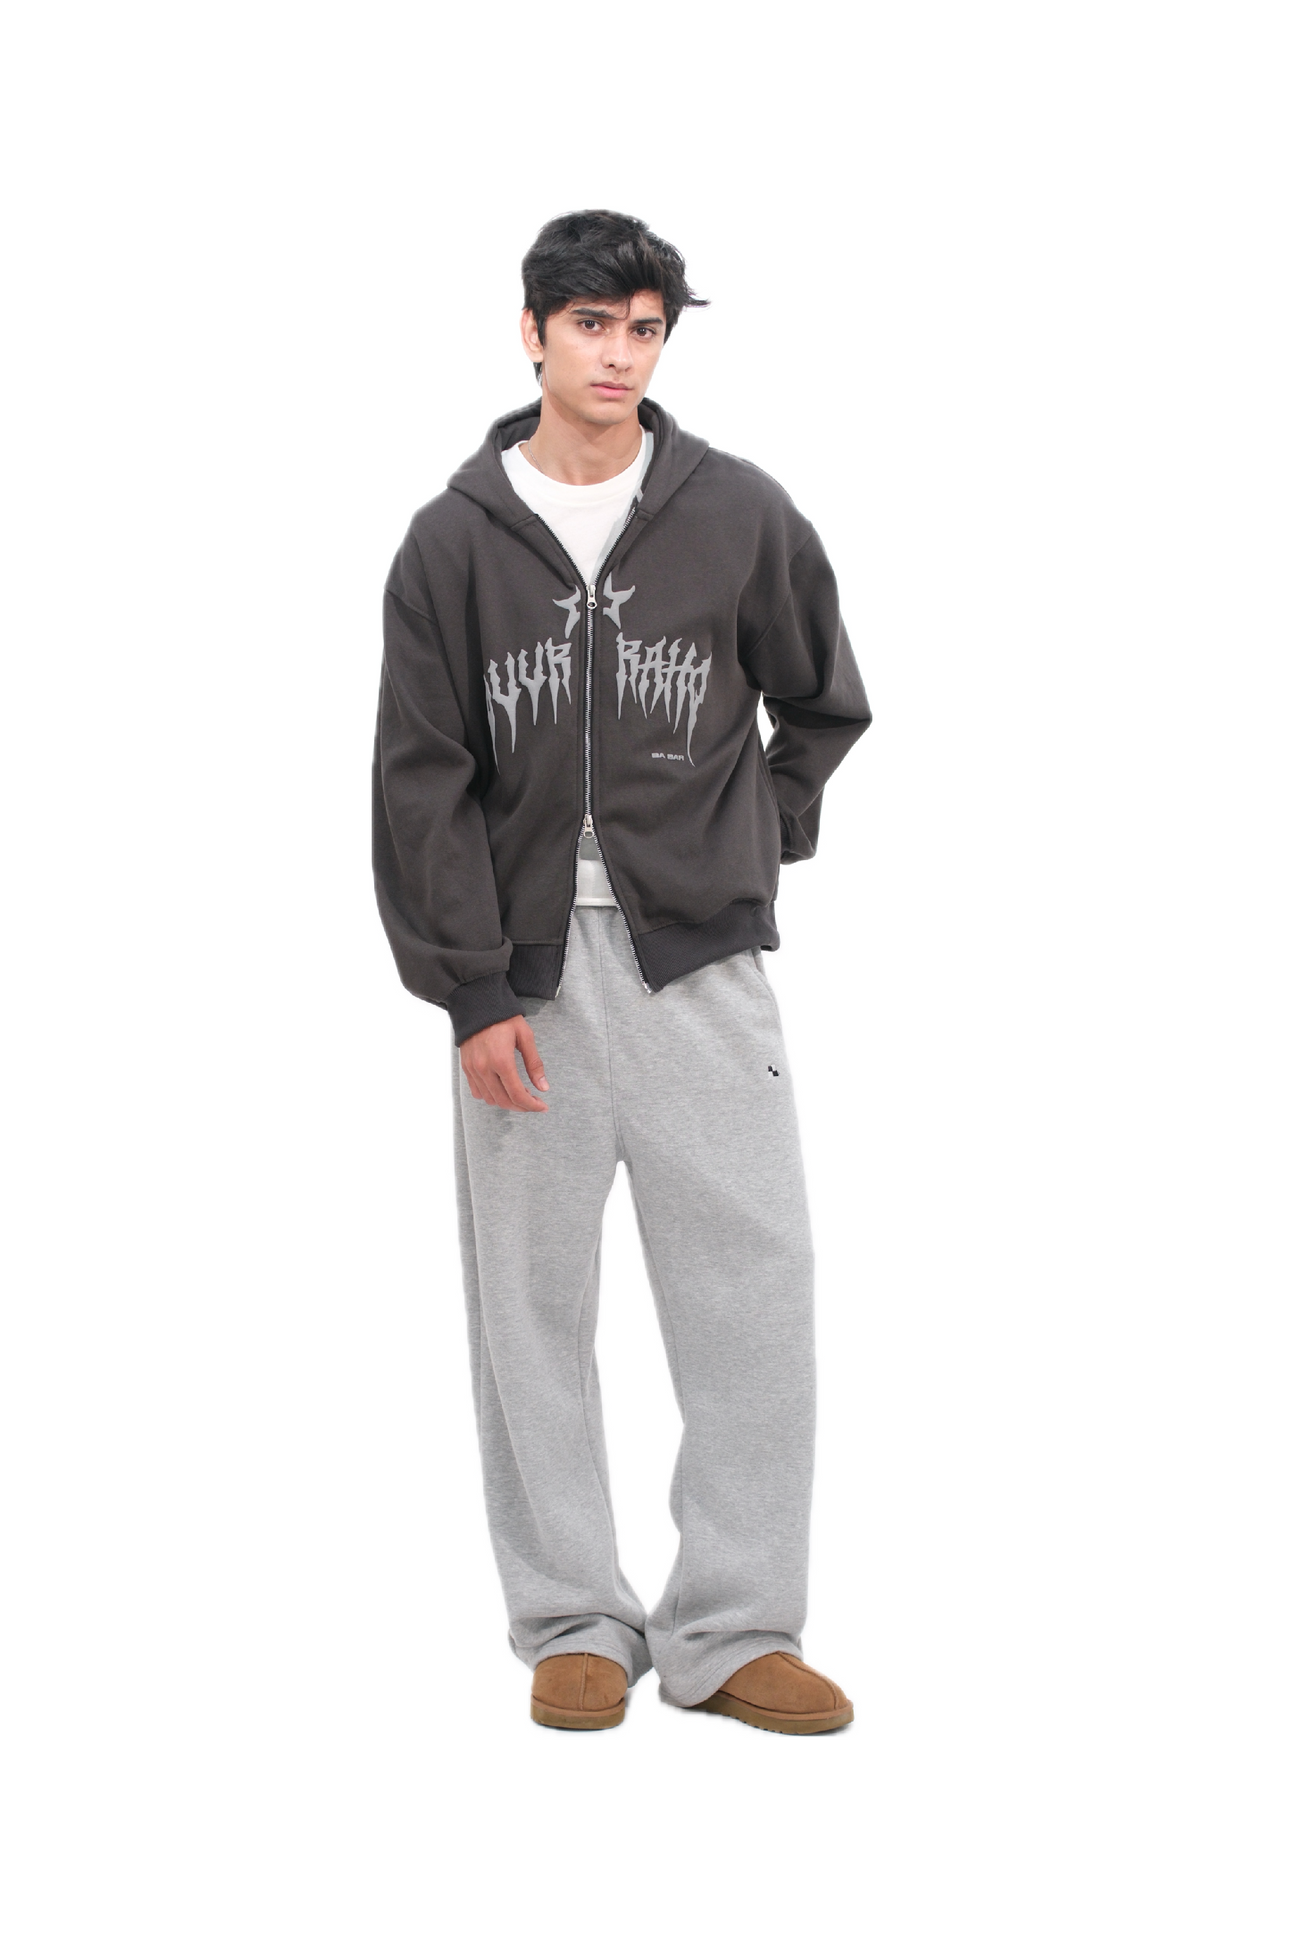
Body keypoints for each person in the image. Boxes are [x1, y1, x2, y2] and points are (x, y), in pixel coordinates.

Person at [371, 210, 870, 1734]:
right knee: (529, 1307)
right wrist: (470, 992)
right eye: (592, 325)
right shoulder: (453, 541)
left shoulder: (737, 513)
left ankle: (731, 1624)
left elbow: (824, 705)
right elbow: (418, 782)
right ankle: (572, 1615)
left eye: (645, 327)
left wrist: (751, 837)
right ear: (532, 332)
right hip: (521, 976)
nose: (619, 354)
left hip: (695, 965)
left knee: (752, 1293)